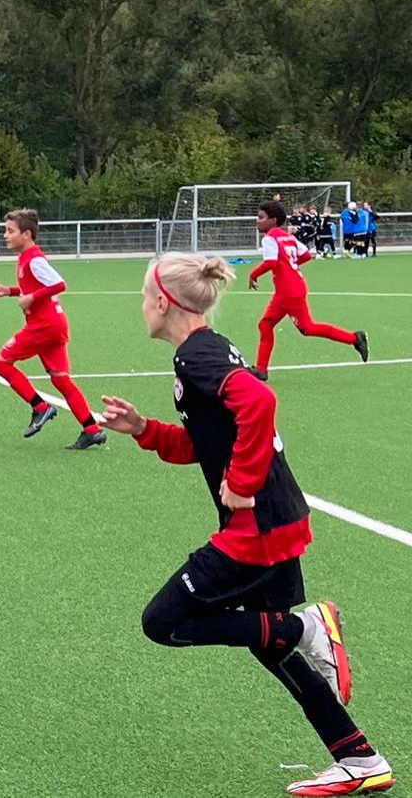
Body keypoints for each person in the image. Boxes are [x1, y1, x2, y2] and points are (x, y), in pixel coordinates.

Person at [98, 253, 393, 798]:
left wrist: (243, 480)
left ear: (162, 301)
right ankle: (360, 758)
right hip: (277, 521)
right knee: (268, 641)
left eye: (143, 297)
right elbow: (206, 442)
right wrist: (143, 429)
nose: (141, 306)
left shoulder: (197, 355)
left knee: (163, 622)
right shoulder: (208, 351)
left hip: (256, 529)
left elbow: (260, 398)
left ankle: (307, 627)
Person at [0, 209, 107, 450]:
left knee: (1, 363)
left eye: (10, 231)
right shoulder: (26, 257)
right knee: (61, 380)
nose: (5, 235)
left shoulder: (34, 259)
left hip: (44, 325)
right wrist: (9, 291)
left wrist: (31, 297)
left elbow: (59, 283)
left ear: (26, 234)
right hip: (54, 324)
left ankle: (40, 407)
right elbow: (34, 287)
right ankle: (92, 430)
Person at [247, 202, 367, 381]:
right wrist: (289, 266)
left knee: (307, 328)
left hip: (288, 292)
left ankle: (354, 338)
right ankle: (261, 370)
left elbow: (271, 262)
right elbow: (305, 255)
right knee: (265, 325)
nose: (257, 221)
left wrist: (253, 274)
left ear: (273, 220)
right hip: (290, 289)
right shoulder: (287, 237)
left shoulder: (269, 238)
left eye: (261, 217)